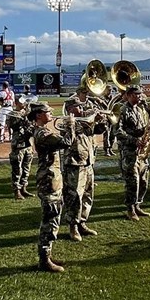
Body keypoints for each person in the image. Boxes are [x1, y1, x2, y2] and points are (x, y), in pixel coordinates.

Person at [30, 102, 75, 272]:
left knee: (54, 218)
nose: (52, 113)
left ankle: (47, 254)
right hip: (48, 181)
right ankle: (44, 260)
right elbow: (67, 142)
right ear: (39, 115)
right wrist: (70, 125)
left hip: (53, 180)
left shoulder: (45, 131)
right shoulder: (42, 133)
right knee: (49, 221)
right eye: (48, 112)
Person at [61, 94, 105, 240]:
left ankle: (82, 222)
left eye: (81, 105)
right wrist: (88, 119)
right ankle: (73, 226)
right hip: (74, 163)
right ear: (69, 109)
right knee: (75, 197)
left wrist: (100, 121)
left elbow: (97, 131)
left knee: (88, 194)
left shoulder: (85, 121)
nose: (81, 108)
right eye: (77, 106)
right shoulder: (66, 122)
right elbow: (70, 137)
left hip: (87, 161)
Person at [117, 84, 150, 220]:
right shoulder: (122, 110)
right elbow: (118, 131)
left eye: (139, 94)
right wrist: (134, 140)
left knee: (143, 180)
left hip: (141, 151)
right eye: (135, 95)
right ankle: (130, 208)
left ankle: (138, 204)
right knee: (132, 181)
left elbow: (141, 129)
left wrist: (149, 128)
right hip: (129, 151)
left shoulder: (140, 109)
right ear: (128, 95)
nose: (139, 97)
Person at [6, 96, 35, 199]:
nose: (23, 104)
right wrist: (26, 115)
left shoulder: (27, 113)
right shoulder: (12, 114)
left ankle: (24, 187)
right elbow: (13, 125)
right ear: (16, 103)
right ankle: (16, 190)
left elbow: (32, 125)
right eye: (21, 102)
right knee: (17, 168)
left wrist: (28, 114)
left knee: (26, 168)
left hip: (28, 144)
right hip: (18, 144)